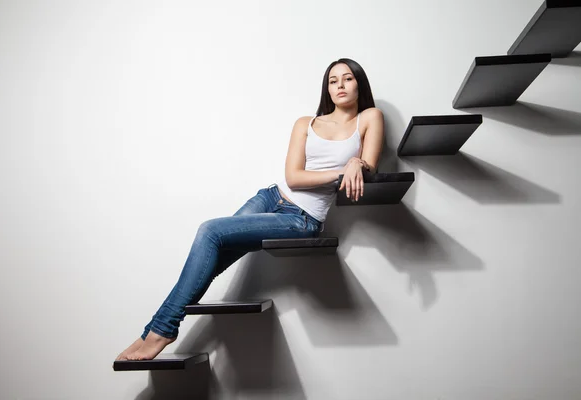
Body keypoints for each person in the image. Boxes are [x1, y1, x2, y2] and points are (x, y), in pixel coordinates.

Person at [115, 58, 384, 361]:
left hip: (302, 218)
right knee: (210, 259)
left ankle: (159, 332)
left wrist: (356, 162)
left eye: (347, 79)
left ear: (358, 83)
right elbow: (294, 176)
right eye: (333, 81)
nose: (340, 86)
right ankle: (154, 330)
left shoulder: (370, 117)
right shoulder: (305, 123)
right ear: (327, 88)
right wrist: (339, 173)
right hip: (270, 197)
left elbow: (369, 166)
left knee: (210, 230)